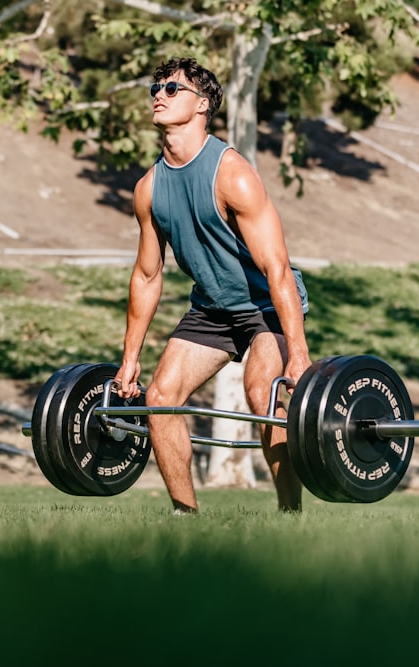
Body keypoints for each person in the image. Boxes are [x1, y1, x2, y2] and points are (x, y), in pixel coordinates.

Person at [113, 57, 312, 514]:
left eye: (172, 88)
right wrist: (129, 360)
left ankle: (290, 515)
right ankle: (186, 518)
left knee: (262, 392)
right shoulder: (149, 188)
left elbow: (277, 268)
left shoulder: (232, 174)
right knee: (160, 397)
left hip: (263, 306)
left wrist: (297, 353)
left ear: (202, 104)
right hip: (210, 309)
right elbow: (147, 275)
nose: (159, 95)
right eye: (155, 87)